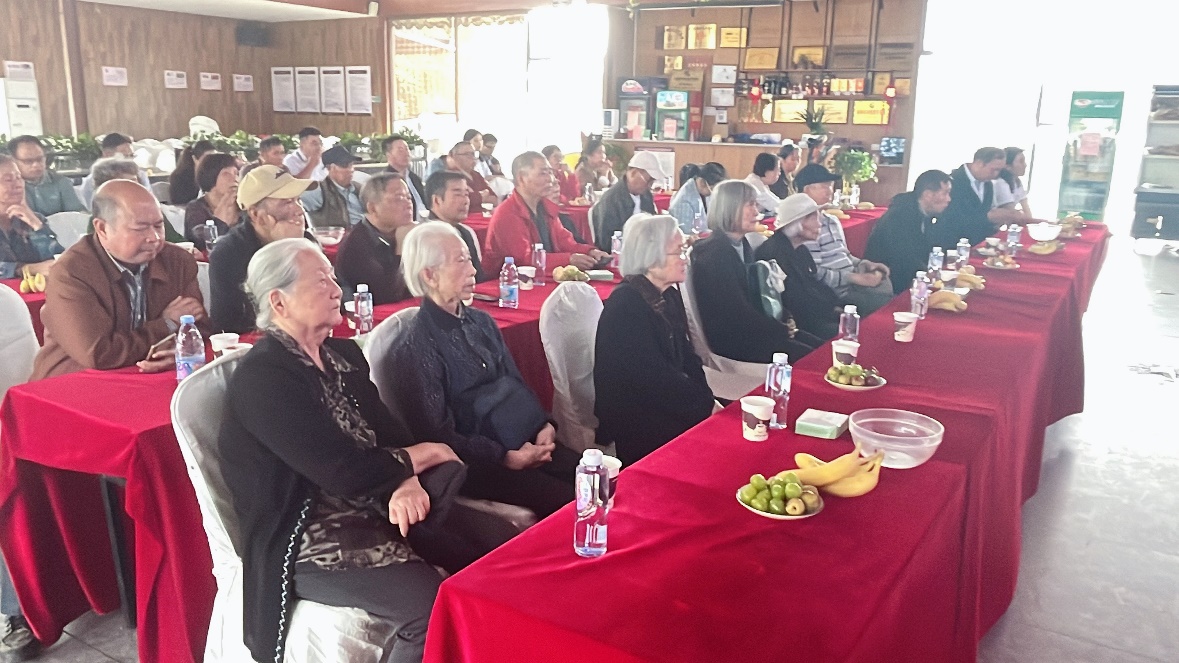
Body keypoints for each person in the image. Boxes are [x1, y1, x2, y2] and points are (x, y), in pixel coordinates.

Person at [219, 237, 463, 663]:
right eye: (321, 281)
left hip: (375, 506)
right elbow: (341, 472)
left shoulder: (342, 355)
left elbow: (391, 435)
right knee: (431, 608)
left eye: (333, 278)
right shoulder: (264, 379)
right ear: (279, 301)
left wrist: (405, 477)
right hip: (307, 538)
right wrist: (428, 453)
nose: (337, 290)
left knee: (481, 562)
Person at [388, 221, 579, 517]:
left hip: (522, 436)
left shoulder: (481, 321)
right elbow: (438, 434)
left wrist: (544, 425)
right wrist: (505, 457)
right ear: (429, 275)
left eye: (469, 258)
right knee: (569, 503)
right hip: (476, 464)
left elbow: (515, 382)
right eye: (460, 261)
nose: (473, 270)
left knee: (598, 478)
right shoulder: (416, 347)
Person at [30, 179, 205, 380]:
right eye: (140, 228)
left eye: (159, 226)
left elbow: (200, 327)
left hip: (151, 374)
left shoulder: (177, 261)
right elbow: (99, 353)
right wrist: (166, 324)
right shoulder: (71, 273)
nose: (155, 238)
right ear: (102, 229)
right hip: (76, 380)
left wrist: (177, 351)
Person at [594, 214, 714, 465]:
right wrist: (702, 405)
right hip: (638, 417)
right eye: (678, 252)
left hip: (667, 401)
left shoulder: (667, 295)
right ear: (651, 258)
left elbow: (688, 355)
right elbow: (652, 379)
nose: (685, 258)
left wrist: (705, 397)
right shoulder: (626, 306)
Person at [689, 179, 819, 363]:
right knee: (813, 360)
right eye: (750, 204)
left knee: (820, 349)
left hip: (756, 329)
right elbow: (735, 314)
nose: (757, 212)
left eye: (756, 205)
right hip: (735, 340)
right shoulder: (714, 253)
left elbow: (759, 295)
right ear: (730, 207)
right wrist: (779, 329)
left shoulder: (742, 243)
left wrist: (785, 316)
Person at [209, 165, 314, 332]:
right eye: (287, 202)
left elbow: (328, 300)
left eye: (298, 200)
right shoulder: (228, 254)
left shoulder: (306, 241)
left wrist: (293, 246)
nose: (300, 210)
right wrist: (280, 251)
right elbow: (228, 324)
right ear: (256, 214)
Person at [483, 151, 607, 275]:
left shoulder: (545, 208)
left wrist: (590, 252)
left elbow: (566, 242)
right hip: (510, 282)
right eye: (543, 173)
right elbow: (524, 260)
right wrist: (568, 260)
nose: (551, 179)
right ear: (521, 178)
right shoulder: (507, 214)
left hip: (545, 276)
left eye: (550, 172)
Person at [796, 163, 894, 314]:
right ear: (807, 190)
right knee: (883, 301)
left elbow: (844, 255)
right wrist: (853, 278)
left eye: (831, 185)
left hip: (853, 283)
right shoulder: (805, 226)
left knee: (884, 281)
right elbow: (814, 272)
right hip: (834, 292)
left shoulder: (832, 220)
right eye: (824, 186)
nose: (830, 190)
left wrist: (864, 263)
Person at [754, 194, 843, 340]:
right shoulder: (774, 254)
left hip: (813, 315)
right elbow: (793, 301)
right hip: (794, 325)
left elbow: (813, 283)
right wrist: (830, 311)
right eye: (814, 218)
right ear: (797, 222)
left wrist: (835, 305)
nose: (820, 224)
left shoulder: (800, 249)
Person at [864, 170, 954, 294]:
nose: (949, 199)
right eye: (945, 193)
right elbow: (904, 259)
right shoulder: (899, 216)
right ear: (928, 195)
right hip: (886, 283)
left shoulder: (927, 213)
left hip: (910, 277)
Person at [335, 174, 415, 305]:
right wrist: (400, 248)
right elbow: (387, 296)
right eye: (399, 198)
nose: (408, 204)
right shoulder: (356, 245)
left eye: (408, 198)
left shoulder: (406, 232)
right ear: (372, 208)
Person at [936, 147, 1021, 247]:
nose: (996, 174)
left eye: (999, 170)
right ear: (980, 163)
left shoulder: (988, 184)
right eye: (994, 170)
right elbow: (951, 219)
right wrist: (988, 217)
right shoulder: (952, 182)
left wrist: (997, 221)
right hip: (952, 244)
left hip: (979, 245)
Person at [0, 155, 62, 280]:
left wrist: (37, 225)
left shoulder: (33, 219)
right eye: (8, 180)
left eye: (19, 177)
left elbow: (60, 260)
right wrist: (27, 269)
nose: (18, 184)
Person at [591, 151, 663, 251]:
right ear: (633, 173)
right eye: (649, 180)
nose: (650, 185)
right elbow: (607, 242)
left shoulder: (646, 196)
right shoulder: (611, 200)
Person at [425, 170, 488, 283]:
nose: (465, 201)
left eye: (466, 194)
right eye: (457, 195)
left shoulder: (466, 233)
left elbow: (478, 278)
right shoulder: (423, 237)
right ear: (437, 200)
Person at [8, 135, 86, 217]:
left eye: (40, 159)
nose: (36, 165)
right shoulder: (8, 187)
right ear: (13, 161)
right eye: (28, 161)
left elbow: (76, 215)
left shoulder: (61, 182)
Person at [183, 152, 241, 250]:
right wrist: (224, 203)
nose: (234, 178)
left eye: (236, 173)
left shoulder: (243, 205)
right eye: (226, 174)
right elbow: (206, 243)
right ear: (211, 177)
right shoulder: (196, 208)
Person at [82, 133, 156, 207]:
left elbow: (150, 203)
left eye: (131, 156)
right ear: (107, 154)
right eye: (125, 156)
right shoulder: (91, 181)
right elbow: (92, 208)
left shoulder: (140, 175)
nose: (129, 160)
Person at [301, 146, 364, 228]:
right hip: (337, 234)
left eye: (351, 165)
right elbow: (297, 208)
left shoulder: (359, 188)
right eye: (345, 165)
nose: (351, 169)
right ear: (329, 168)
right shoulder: (319, 191)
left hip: (365, 232)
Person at [668, 162, 726, 234]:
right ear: (702, 183)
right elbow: (685, 233)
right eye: (712, 189)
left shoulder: (702, 192)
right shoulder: (684, 201)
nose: (713, 193)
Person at [383, 135, 427, 218]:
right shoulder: (386, 181)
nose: (406, 154)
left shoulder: (414, 178)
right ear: (388, 156)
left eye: (407, 149)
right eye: (400, 150)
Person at [447, 141, 497, 211]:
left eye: (474, 154)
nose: (472, 157)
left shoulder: (476, 175)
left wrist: (478, 197)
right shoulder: (449, 176)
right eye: (467, 154)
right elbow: (458, 201)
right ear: (455, 156)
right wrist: (480, 197)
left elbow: (494, 198)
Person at [166, 139, 216, 206]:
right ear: (194, 158)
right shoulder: (180, 178)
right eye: (207, 159)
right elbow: (182, 203)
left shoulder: (214, 174)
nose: (212, 162)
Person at [544, 180, 589, 245]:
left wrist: (590, 249)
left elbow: (575, 244)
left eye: (556, 184)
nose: (556, 189)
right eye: (550, 187)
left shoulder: (563, 220)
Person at [995, 146, 1033, 218]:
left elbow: (1028, 213)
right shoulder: (1001, 183)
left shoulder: (1017, 182)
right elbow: (1011, 215)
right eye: (1021, 161)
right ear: (1007, 166)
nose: (1025, 165)